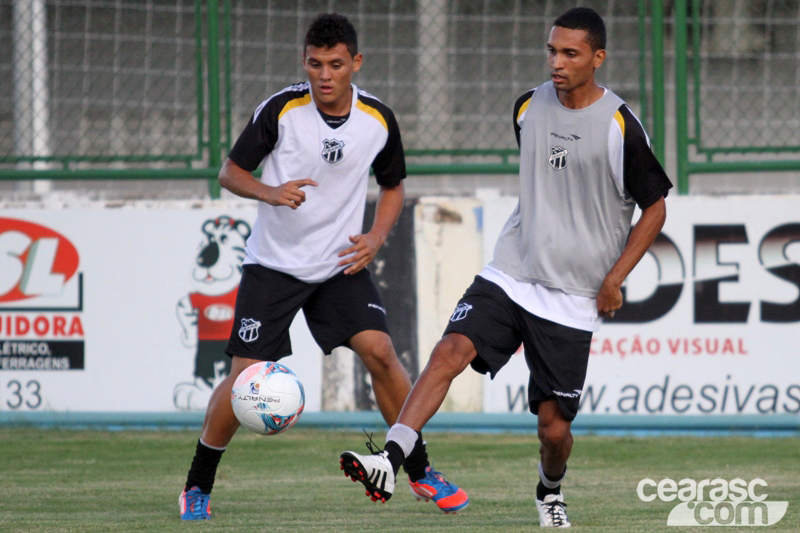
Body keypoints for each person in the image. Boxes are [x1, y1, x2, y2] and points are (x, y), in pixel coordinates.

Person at [340, 7, 672, 528]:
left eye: (570, 53)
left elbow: (655, 208)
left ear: (597, 58)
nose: (556, 62)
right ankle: (390, 459)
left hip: (573, 294)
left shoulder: (619, 126)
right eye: (551, 50)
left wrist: (614, 278)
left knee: (554, 431)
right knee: (449, 351)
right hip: (512, 271)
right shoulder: (527, 108)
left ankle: (550, 491)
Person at [179, 12, 468, 520]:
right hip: (273, 267)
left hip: (339, 265)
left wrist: (376, 236)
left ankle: (420, 471)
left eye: (336, 64)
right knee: (244, 378)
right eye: (315, 64)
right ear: (305, 63)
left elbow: (394, 185)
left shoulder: (377, 119)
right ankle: (197, 486)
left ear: (355, 63)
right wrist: (271, 192)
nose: (325, 75)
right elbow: (230, 171)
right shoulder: (281, 111)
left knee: (381, 352)